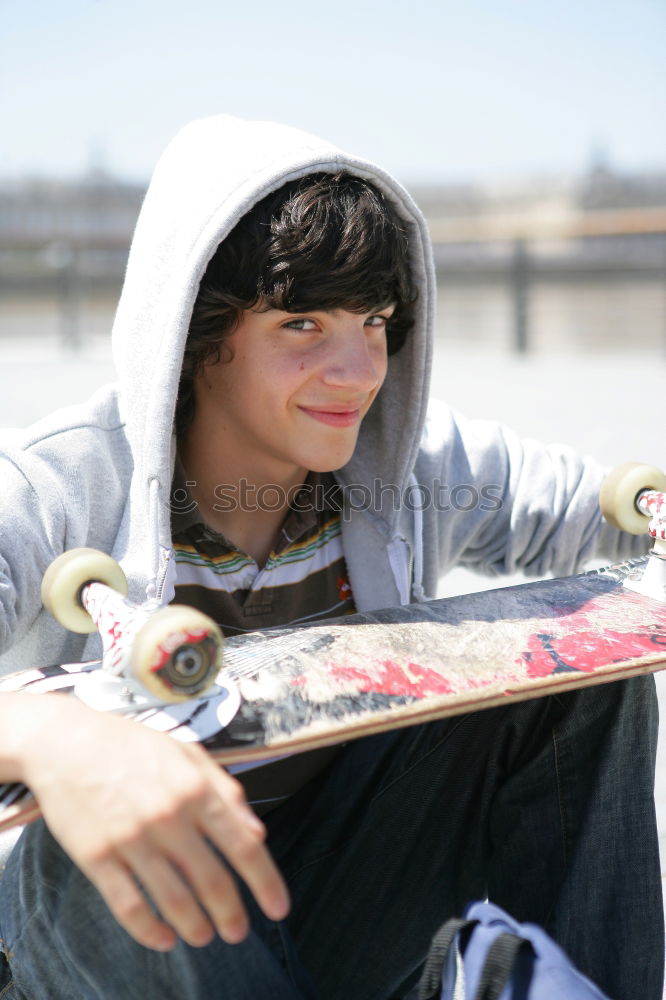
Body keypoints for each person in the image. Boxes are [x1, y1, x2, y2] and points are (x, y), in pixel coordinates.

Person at [0, 114, 661, 1000]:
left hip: (335, 887)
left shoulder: (406, 459)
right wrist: (55, 740)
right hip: (116, 943)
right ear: (197, 332)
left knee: (584, 663)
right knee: (103, 832)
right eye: (303, 324)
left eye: (377, 320)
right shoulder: (61, 484)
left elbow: (588, 506)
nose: (358, 372)